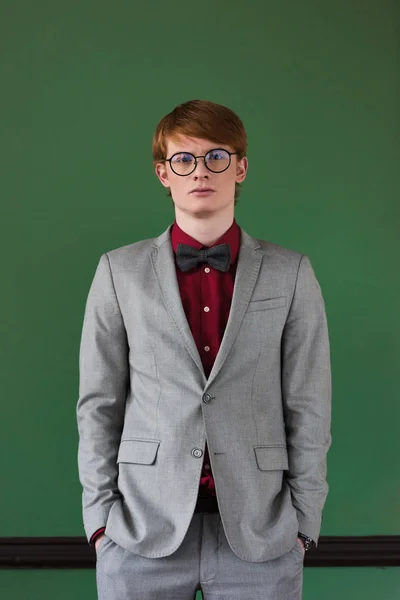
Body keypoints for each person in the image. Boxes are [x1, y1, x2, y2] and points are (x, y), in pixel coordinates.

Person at [76, 99, 332, 600]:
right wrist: (99, 520)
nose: (200, 171)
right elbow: (97, 406)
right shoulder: (118, 273)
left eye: (217, 157)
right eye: (184, 159)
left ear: (240, 168)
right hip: (139, 532)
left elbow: (309, 405)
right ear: (162, 173)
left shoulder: (291, 273)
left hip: (262, 533)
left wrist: (304, 522)